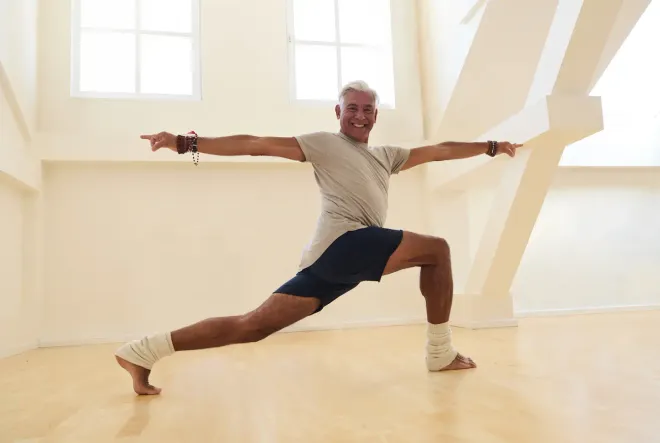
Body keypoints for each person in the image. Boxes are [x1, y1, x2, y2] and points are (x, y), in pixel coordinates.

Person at [115, 80, 521, 395]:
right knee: (436, 250)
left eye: (367, 110)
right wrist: (186, 142)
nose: (359, 116)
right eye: (352, 108)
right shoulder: (325, 144)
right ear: (338, 112)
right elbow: (257, 145)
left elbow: (439, 150)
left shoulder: (386, 157)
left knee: (252, 326)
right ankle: (440, 351)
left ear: (376, 116)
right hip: (346, 243)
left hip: (331, 260)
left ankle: (143, 350)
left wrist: (490, 146)